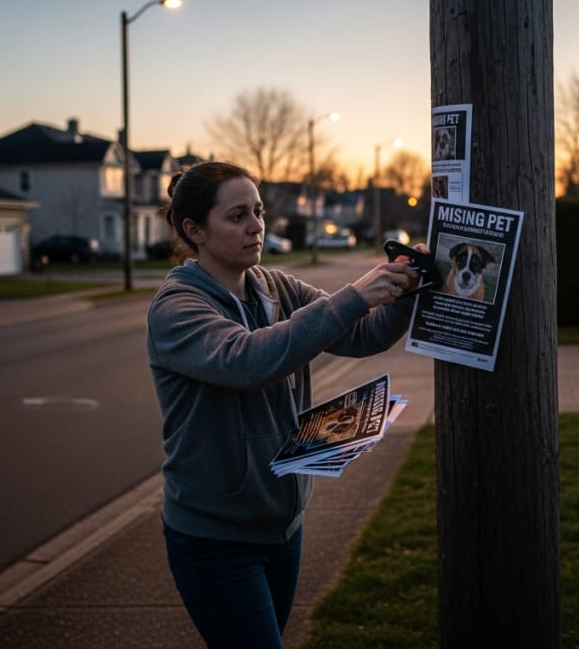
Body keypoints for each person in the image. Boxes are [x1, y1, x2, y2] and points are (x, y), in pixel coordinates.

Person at [146, 161, 425, 648]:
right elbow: (249, 361)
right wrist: (354, 295)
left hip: (282, 528)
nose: (256, 226)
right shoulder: (177, 306)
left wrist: (404, 289)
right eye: (236, 216)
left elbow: (362, 333)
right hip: (214, 540)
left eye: (257, 211)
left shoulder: (275, 286)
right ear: (195, 230)